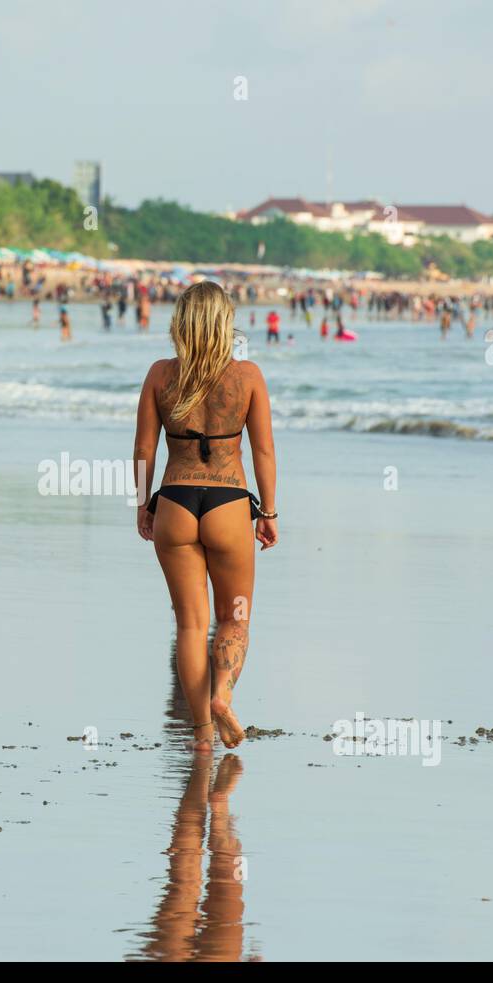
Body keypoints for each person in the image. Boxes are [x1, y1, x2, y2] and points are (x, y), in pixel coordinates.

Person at [133, 281, 278, 752]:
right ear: (225, 324)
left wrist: (142, 503)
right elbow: (263, 451)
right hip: (229, 504)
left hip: (175, 502)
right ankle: (221, 695)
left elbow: (142, 451)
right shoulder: (248, 377)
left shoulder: (160, 375)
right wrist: (269, 512)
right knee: (235, 617)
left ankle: (199, 734)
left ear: (182, 323)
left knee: (190, 626)